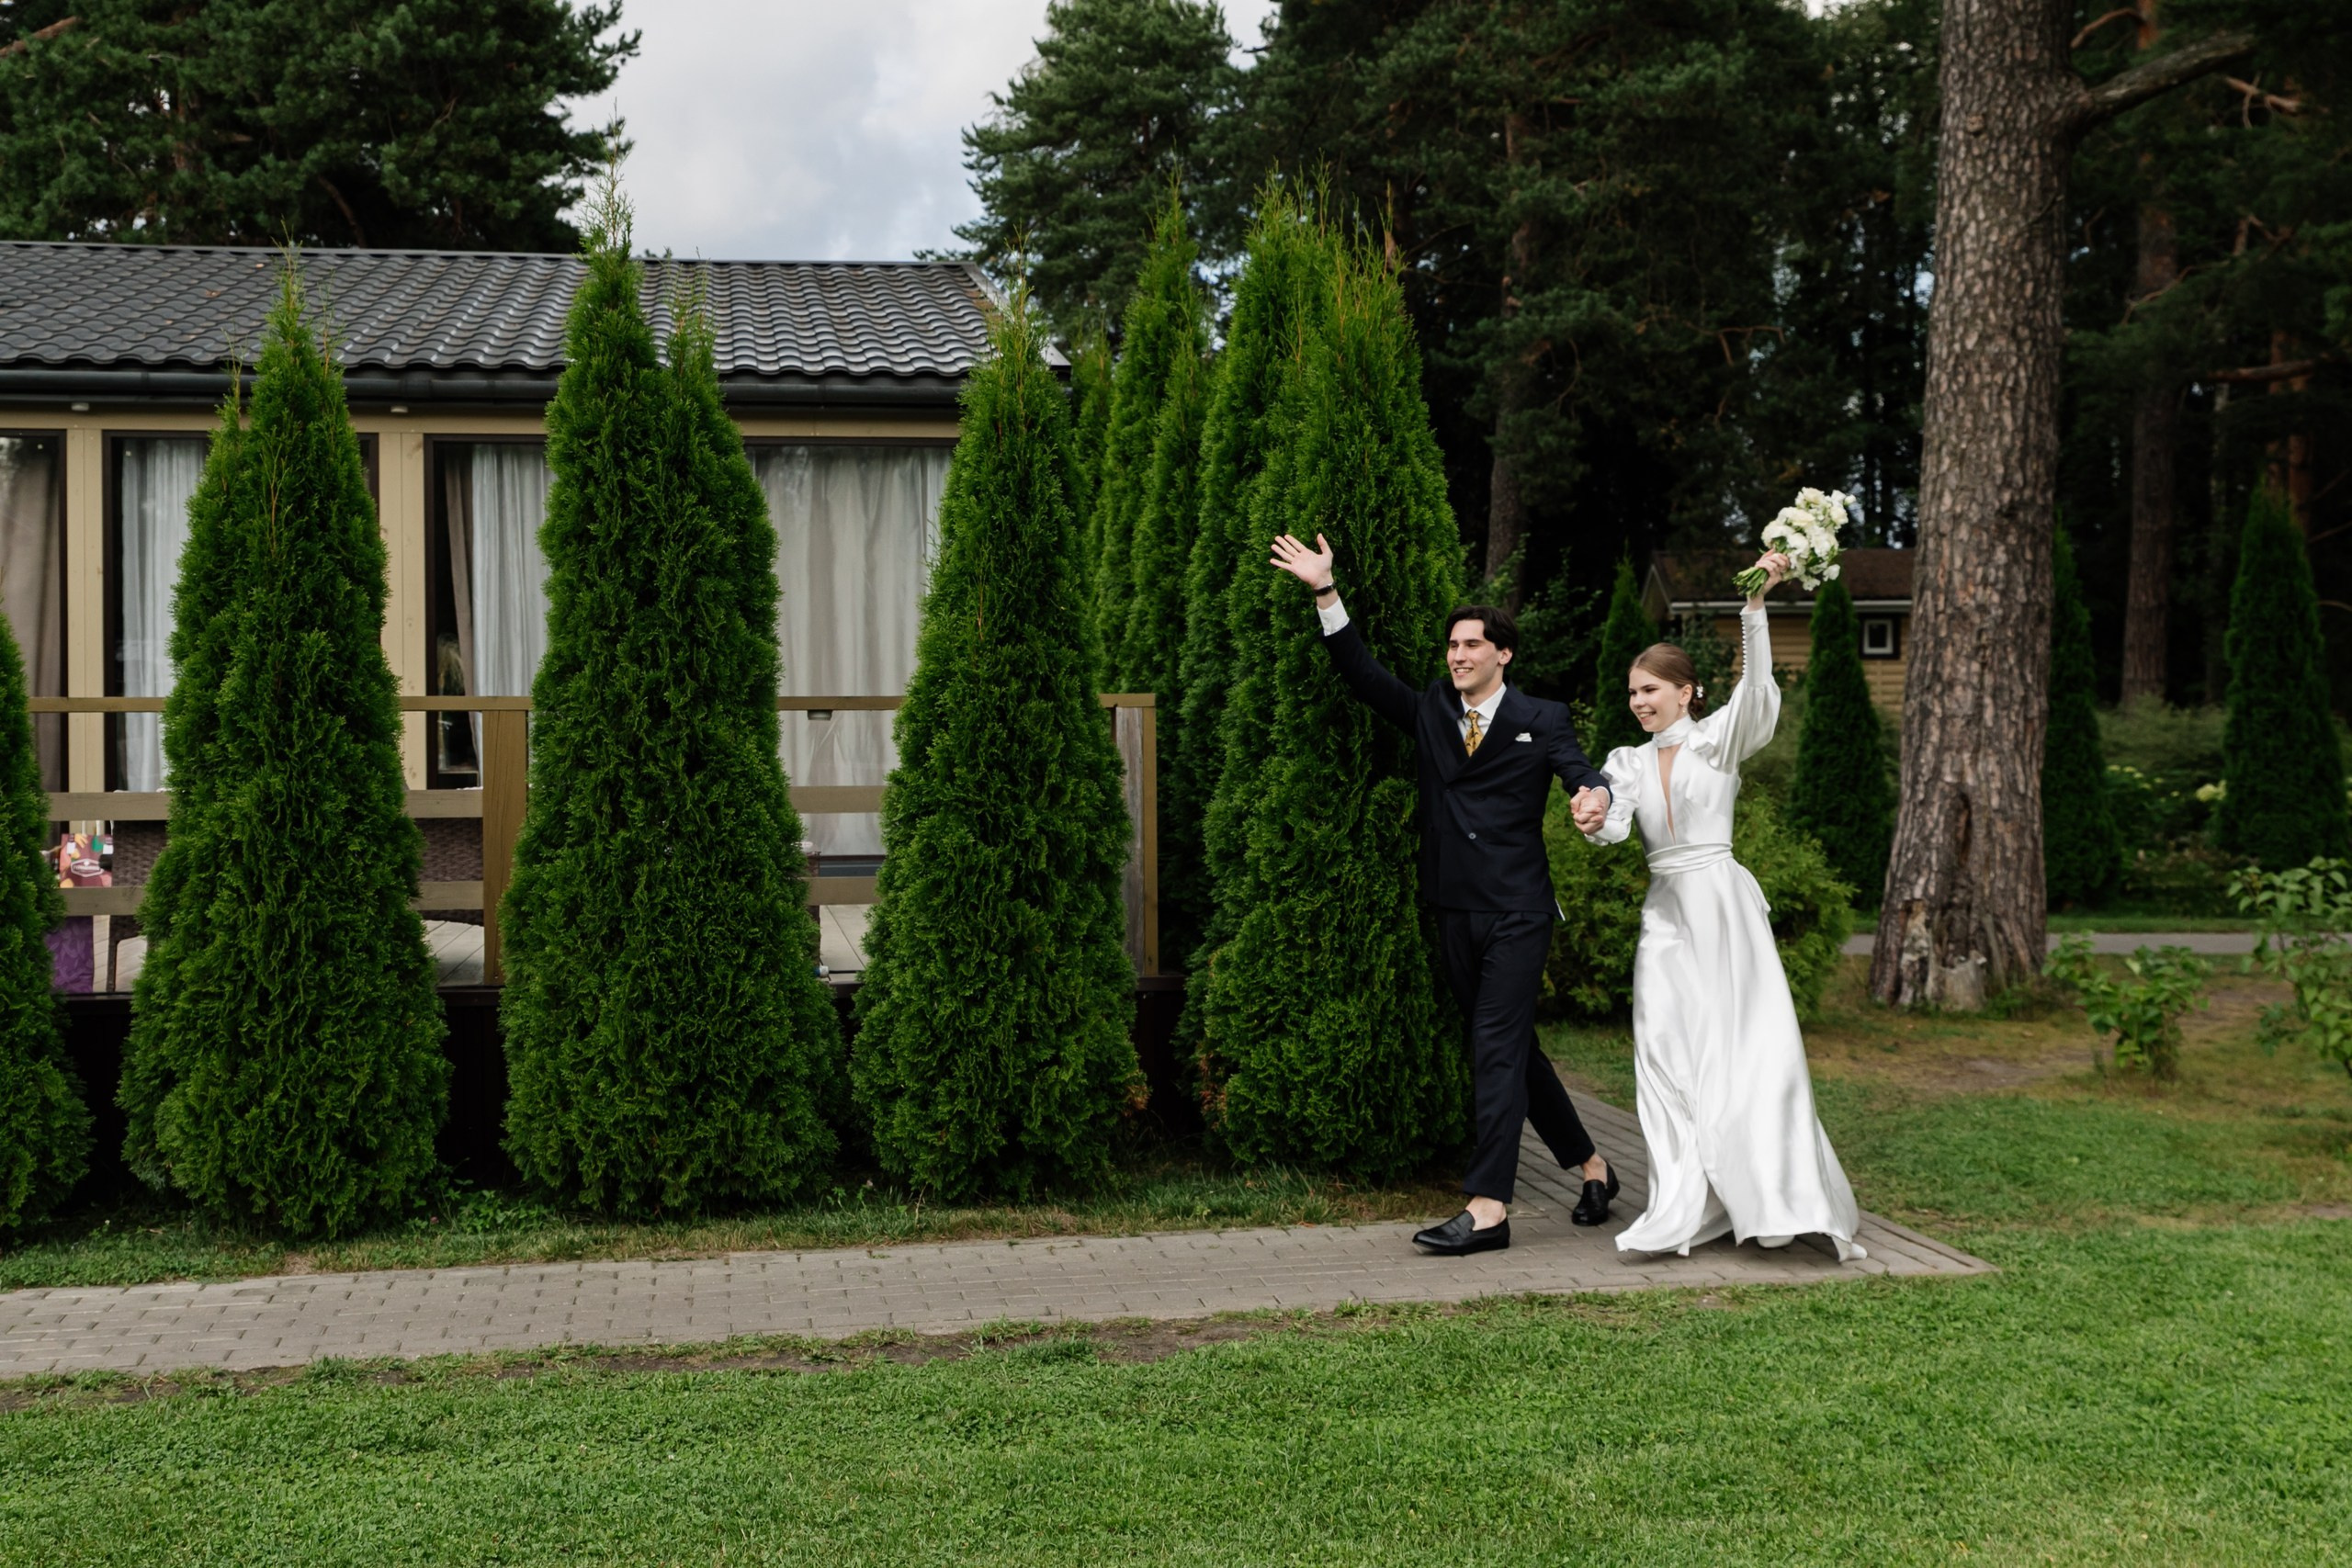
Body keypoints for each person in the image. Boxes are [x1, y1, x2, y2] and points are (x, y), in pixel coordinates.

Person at [1270, 531, 1616, 1257]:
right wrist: (1326, 592)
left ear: (1503, 654)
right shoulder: (1431, 708)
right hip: (1453, 908)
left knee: (1492, 1046)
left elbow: (1582, 772)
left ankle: (1488, 1207)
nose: (1457, 654)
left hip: (1520, 911)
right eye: (1452, 645)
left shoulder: (1541, 718)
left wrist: (1594, 797)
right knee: (1514, 1049)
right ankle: (1594, 1166)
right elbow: (1364, 676)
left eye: (1471, 644)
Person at [1581, 551, 1866, 1261]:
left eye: (1650, 690)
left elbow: (1760, 694)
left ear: (1688, 692)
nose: (1639, 701)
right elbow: (1616, 821)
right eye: (1632, 692)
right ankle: (1682, 1200)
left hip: (1724, 913)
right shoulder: (1628, 761)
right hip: (1665, 918)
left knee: (1749, 1051)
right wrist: (1593, 816)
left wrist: (1756, 609)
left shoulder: (1718, 745)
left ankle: (1775, 1193)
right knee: (1663, 1052)